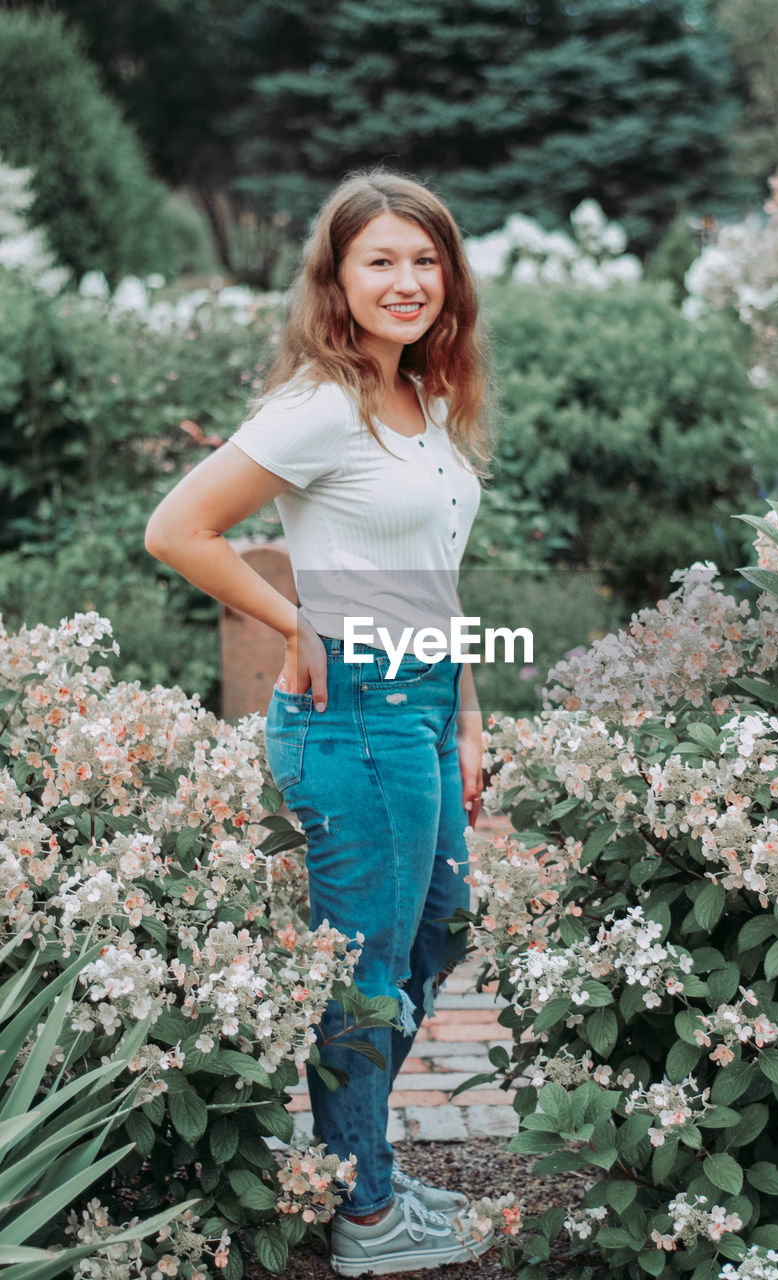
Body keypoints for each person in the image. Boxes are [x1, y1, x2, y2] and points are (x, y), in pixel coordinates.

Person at [145, 169, 493, 1276]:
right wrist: (293, 619)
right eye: (379, 260)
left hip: (423, 707)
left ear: (449, 277)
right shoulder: (320, 404)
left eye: (423, 259)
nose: (405, 280)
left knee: (435, 934)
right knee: (366, 968)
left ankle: (357, 1169)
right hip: (352, 721)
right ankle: (364, 1211)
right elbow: (178, 528)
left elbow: (436, 574)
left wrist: (468, 712)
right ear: (336, 278)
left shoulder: (418, 397)